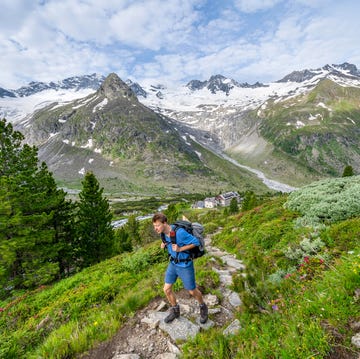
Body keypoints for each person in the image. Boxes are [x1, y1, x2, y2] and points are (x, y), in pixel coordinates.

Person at [152, 212, 208, 324]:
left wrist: (180, 249)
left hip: (185, 265)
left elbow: (196, 242)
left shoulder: (180, 233)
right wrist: (164, 244)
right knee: (166, 289)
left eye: (157, 225)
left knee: (192, 291)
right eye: (154, 226)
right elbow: (169, 242)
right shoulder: (163, 233)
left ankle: (203, 307)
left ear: (165, 223)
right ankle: (175, 311)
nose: (156, 228)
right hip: (173, 264)